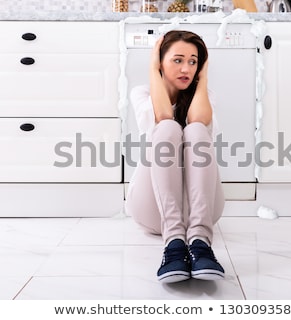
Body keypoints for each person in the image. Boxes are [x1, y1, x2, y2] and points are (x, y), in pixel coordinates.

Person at [125, 30, 225, 283]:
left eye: (193, 61)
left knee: (196, 129)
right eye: (177, 60)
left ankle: (200, 241)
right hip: (152, 210)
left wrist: (203, 79)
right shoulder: (141, 94)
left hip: (201, 212)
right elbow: (162, 118)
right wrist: (152, 68)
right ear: (160, 62)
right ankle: (174, 244)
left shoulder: (205, 97)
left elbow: (198, 121)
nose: (187, 68)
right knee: (168, 128)